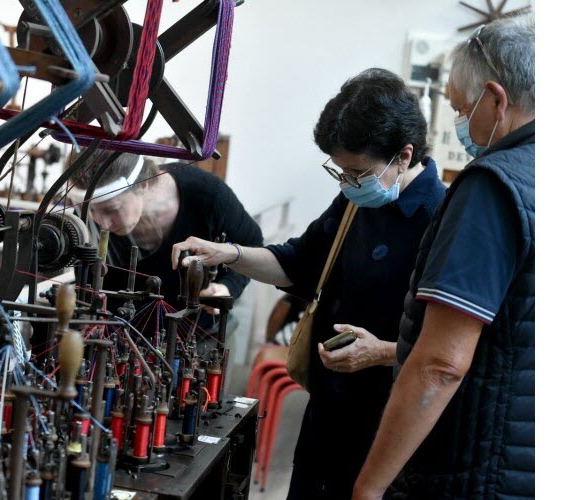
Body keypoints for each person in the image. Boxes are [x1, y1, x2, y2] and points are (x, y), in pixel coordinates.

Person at [171, 68, 446, 498]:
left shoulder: (441, 219)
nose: (350, 183)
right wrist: (231, 254)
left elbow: (448, 352)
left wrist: (380, 353)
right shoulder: (358, 199)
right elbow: (297, 262)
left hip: (386, 426)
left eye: (357, 171)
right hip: (327, 412)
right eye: (341, 172)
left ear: (405, 156)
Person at [352, 16, 535, 500]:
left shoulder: (493, 187)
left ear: (496, 100)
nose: (458, 122)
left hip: (478, 468)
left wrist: (370, 487)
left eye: (459, 107)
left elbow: (440, 364)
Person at [67, 150, 263, 326]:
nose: (103, 224)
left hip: (195, 336)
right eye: (91, 209)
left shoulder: (207, 195)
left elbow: (251, 245)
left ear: (142, 184)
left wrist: (226, 287)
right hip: (115, 337)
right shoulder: (86, 217)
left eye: (112, 210)